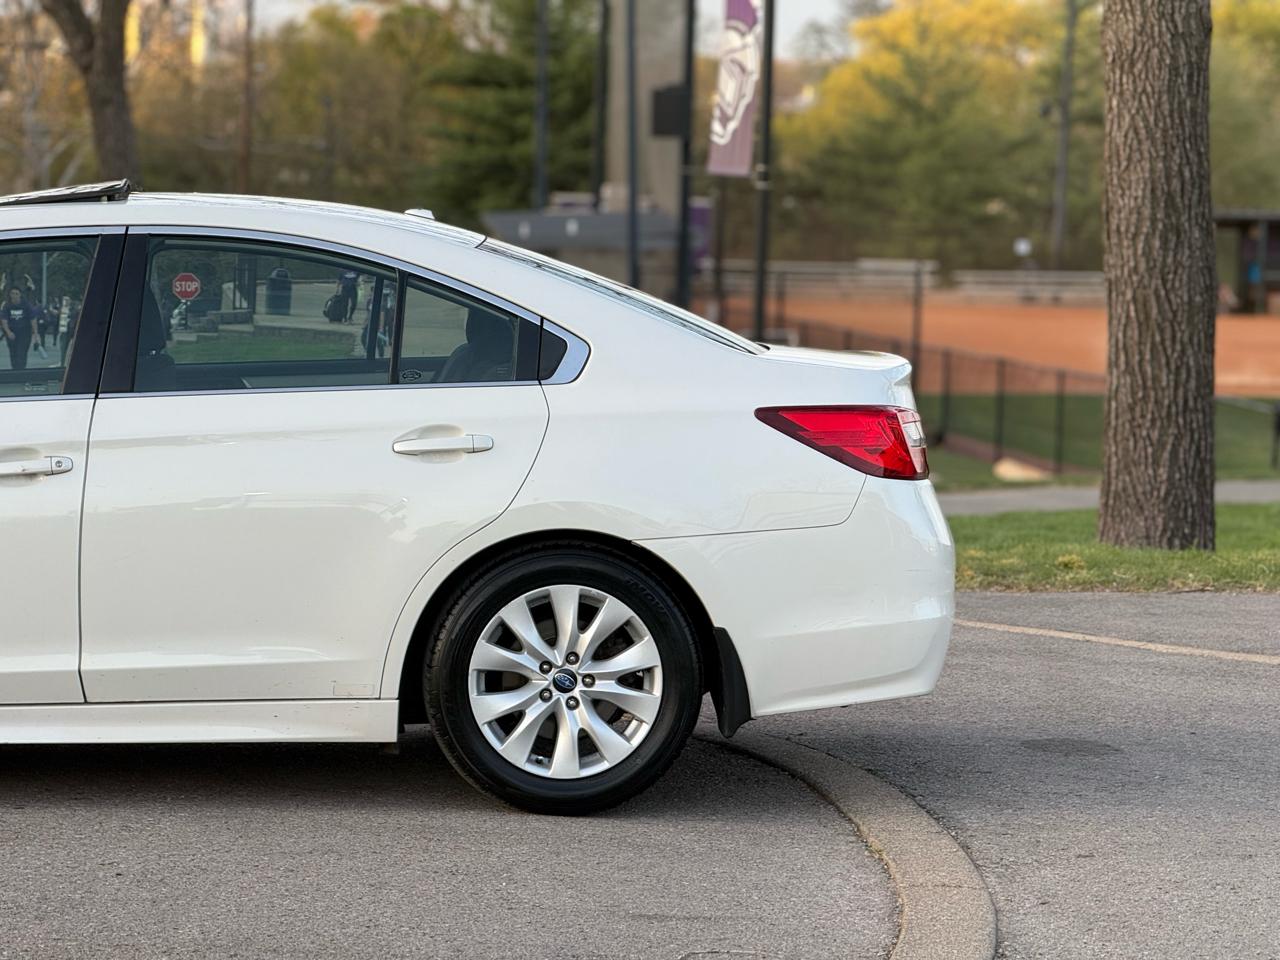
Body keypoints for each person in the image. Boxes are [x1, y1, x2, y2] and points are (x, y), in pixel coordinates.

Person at [1, 285, 37, 371]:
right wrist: (8, 332)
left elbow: (33, 319)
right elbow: (4, 320)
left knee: (22, 352)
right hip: (12, 332)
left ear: (20, 295)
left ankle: (21, 371)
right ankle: (15, 371)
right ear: (10, 295)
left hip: (24, 332)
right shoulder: (7, 306)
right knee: (13, 353)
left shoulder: (26, 305)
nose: (14, 295)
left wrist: (35, 334)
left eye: (16, 293)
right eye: (12, 293)